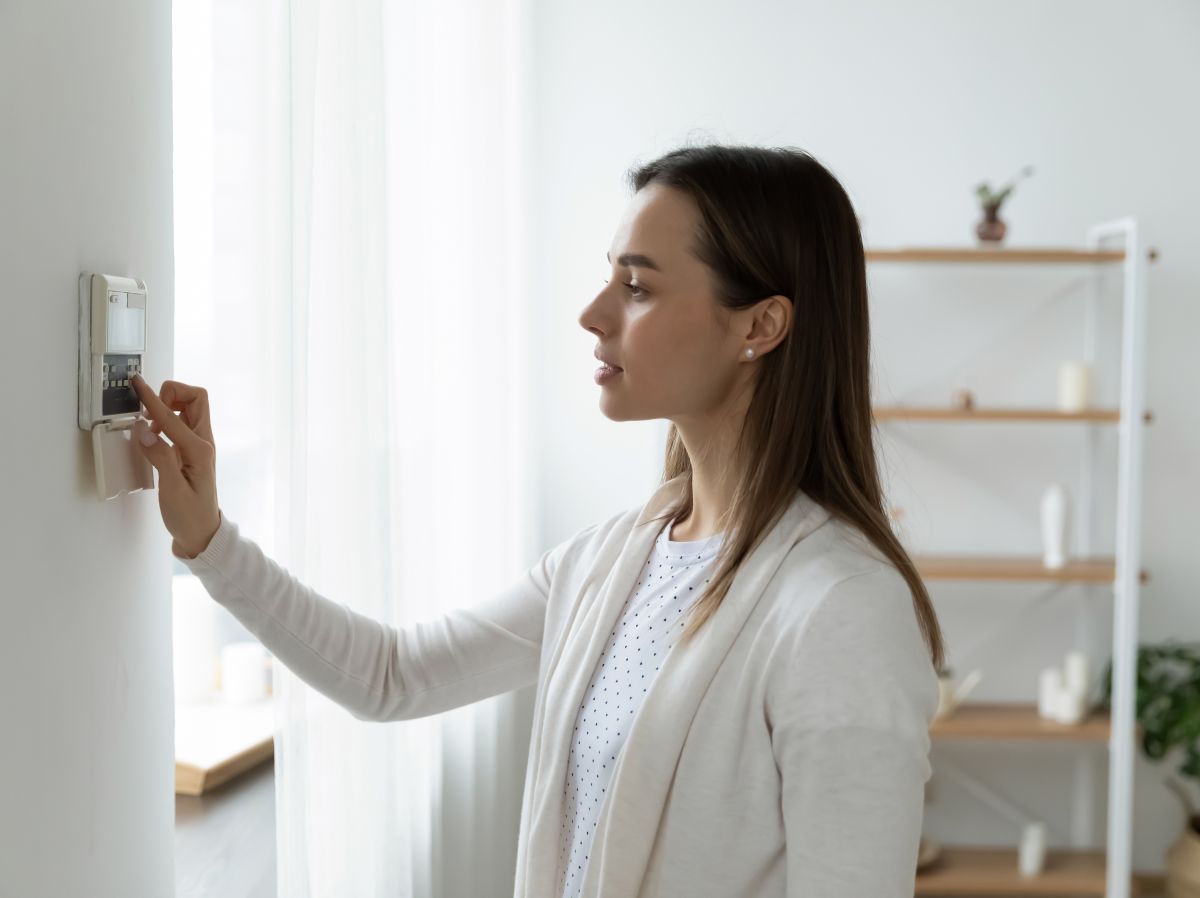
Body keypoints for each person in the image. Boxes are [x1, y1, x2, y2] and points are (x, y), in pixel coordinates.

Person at [132, 143, 945, 898]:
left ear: (760, 326)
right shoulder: (608, 563)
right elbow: (393, 676)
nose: (593, 314)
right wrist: (209, 540)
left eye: (637, 286)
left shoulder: (842, 610)